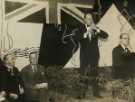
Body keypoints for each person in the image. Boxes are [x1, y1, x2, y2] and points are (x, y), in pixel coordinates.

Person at [76, 13, 108, 98]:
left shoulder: (95, 28)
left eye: (90, 19)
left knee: (95, 74)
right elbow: (77, 38)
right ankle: (82, 94)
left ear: (92, 20)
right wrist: (86, 33)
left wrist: (97, 29)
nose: (89, 20)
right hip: (84, 56)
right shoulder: (80, 29)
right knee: (83, 74)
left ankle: (96, 93)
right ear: (84, 20)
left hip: (94, 56)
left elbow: (106, 36)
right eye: (87, 18)